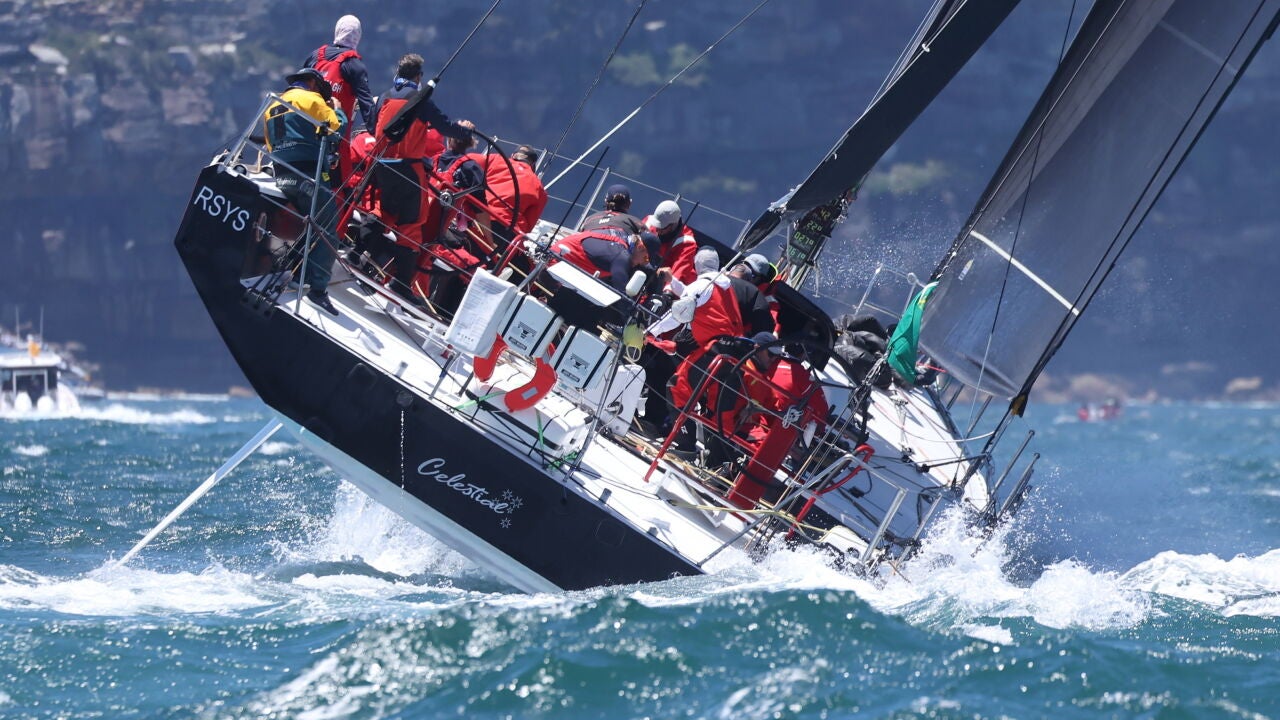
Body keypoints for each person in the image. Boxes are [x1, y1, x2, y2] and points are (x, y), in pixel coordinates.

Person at [372, 53, 473, 298]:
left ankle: (360, 254)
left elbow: (372, 123)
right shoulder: (421, 101)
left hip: (381, 165)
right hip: (407, 169)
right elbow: (445, 126)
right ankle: (400, 283)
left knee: (383, 212)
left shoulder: (384, 97)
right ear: (419, 77)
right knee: (414, 224)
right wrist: (466, 133)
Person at [262, 67, 347, 316]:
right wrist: (338, 108)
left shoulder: (272, 106)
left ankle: (297, 273)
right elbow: (336, 128)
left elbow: (269, 144)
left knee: (307, 224)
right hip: (308, 175)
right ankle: (317, 291)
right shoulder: (311, 99)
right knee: (327, 229)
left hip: (283, 175)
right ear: (311, 82)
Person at [304, 15, 375, 184]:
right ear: (357, 37)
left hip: (304, 135)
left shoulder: (314, 57)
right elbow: (367, 105)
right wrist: (377, 133)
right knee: (341, 188)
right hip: (335, 142)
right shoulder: (354, 65)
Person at [473, 145, 548, 242]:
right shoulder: (540, 189)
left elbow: (464, 161)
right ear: (533, 164)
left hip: (477, 216)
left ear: (513, 155)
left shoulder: (496, 160)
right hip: (506, 231)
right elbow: (528, 226)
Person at [550, 229, 657, 294]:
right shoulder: (620, 255)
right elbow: (620, 288)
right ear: (640, 247)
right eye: (646, 259)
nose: (642, 263)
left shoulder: (621, 235)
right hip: (554, 269)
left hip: (561, 268)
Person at [643, 200, 699, 287]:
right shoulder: (648, 223)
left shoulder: (687, 243)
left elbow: (677, 277)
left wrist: (667, 291)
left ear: (673, 225)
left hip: (660, 284)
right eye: (656, 225)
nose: (657, 230)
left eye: (662, 228)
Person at [580, 184, 645, 236]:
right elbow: (648, 240)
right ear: (629, 203)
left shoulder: (589, 219)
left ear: (606, 201)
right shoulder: (635, 222)